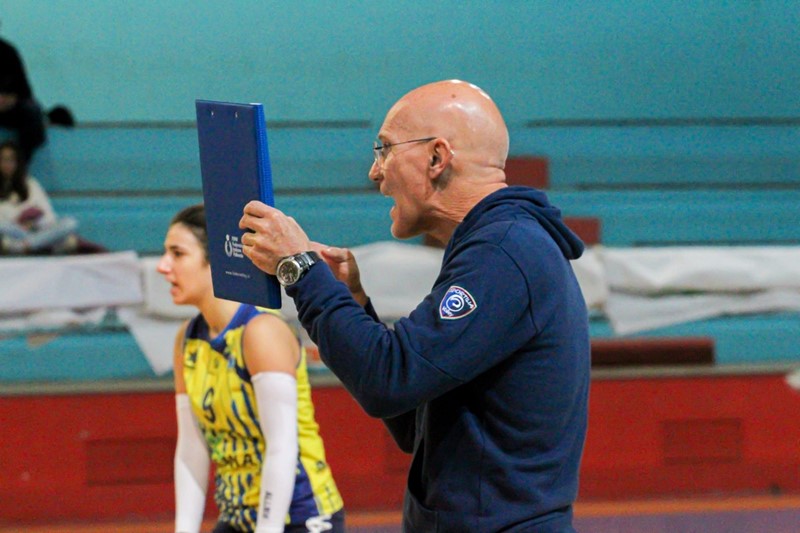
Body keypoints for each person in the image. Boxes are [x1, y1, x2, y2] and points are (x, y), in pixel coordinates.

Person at [238, 80, 591, 532]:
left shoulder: (504, 252)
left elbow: (387, 380)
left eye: (384, 149)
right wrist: (354, 306)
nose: (374, 172)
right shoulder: (499, 246)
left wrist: (299, 268)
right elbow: (412, 420)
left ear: (437, 158)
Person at [157, 204, 345, 533]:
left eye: (177, 253)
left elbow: (282, 448)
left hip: (300, 517)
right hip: (238, 517)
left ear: (216, 260)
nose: (162, 266)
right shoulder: (187, 339)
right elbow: (191, 447)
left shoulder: (261, 332)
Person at [0, 139, 78, 254]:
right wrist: (17, 221)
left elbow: (49, 216)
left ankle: (25, 246)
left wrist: (32, 222)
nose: (7, 164)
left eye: (11, 160)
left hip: (37, 230)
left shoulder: (31, 183)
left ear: (18, 162)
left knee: (70, 223)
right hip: (15, 231)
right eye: (3, 159)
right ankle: (38, 245)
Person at [0, 28, 47, 162]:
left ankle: (20, 167)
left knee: (33, 110)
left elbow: (24, 89)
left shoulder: (9, 52)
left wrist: (9, 99)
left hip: (7, 107)